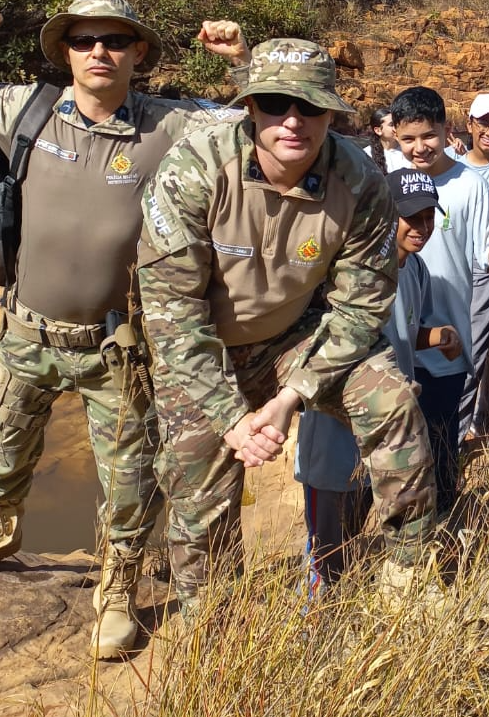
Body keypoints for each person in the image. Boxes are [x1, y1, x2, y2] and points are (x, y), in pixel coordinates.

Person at [0, 0, 248, 659]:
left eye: (115, 40)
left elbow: (262, 134)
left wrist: (240, 64)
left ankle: (117, 590)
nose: (100, 52)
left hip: (118, 346)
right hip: (25, 332)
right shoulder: (23, 108)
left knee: (128, 479)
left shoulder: (168, 124)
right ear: (66, 52)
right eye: (85, 40)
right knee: (0, 451)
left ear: (138, 53)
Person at [137, 39, 440, 614]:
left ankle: (409, 574)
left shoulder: (360, 181)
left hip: (293, 339)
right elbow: (174, 317)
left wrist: (291, 396)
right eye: (275, 104)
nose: (292, 121)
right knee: (197, 485)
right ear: (251, 107)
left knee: (393, 400)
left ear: (331, 111)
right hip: (204, 346)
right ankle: (210, 615)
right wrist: (232, 418)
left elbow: (361, 305)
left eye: (310, 106)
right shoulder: (195, 168)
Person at [294, 168, 461, 592]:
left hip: (385, 438)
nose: (422, 228)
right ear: (386, 214)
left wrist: (436, 336)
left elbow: (404, 330)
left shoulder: (417, 270)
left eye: (429, 217)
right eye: (412, 218)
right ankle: (307, 633)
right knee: (326, 553)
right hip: (334, 436)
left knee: (370, 538)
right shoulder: (346, 271)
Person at [391, 87, 489, 515]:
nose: (418, 148)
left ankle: (442, 530)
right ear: (394, 136)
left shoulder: (468, 186)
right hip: (394, 346)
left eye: (428, 136)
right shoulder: (388, 181)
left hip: (445, 345)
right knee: (395, 455)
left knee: (442, 449)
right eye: (408, 139)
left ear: (446, 130)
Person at [369, 107, 410, 172]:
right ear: (378, 130)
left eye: (397, 124)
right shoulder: (366, 155)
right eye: (391, 125)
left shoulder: (408, 150)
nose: (395, 128)